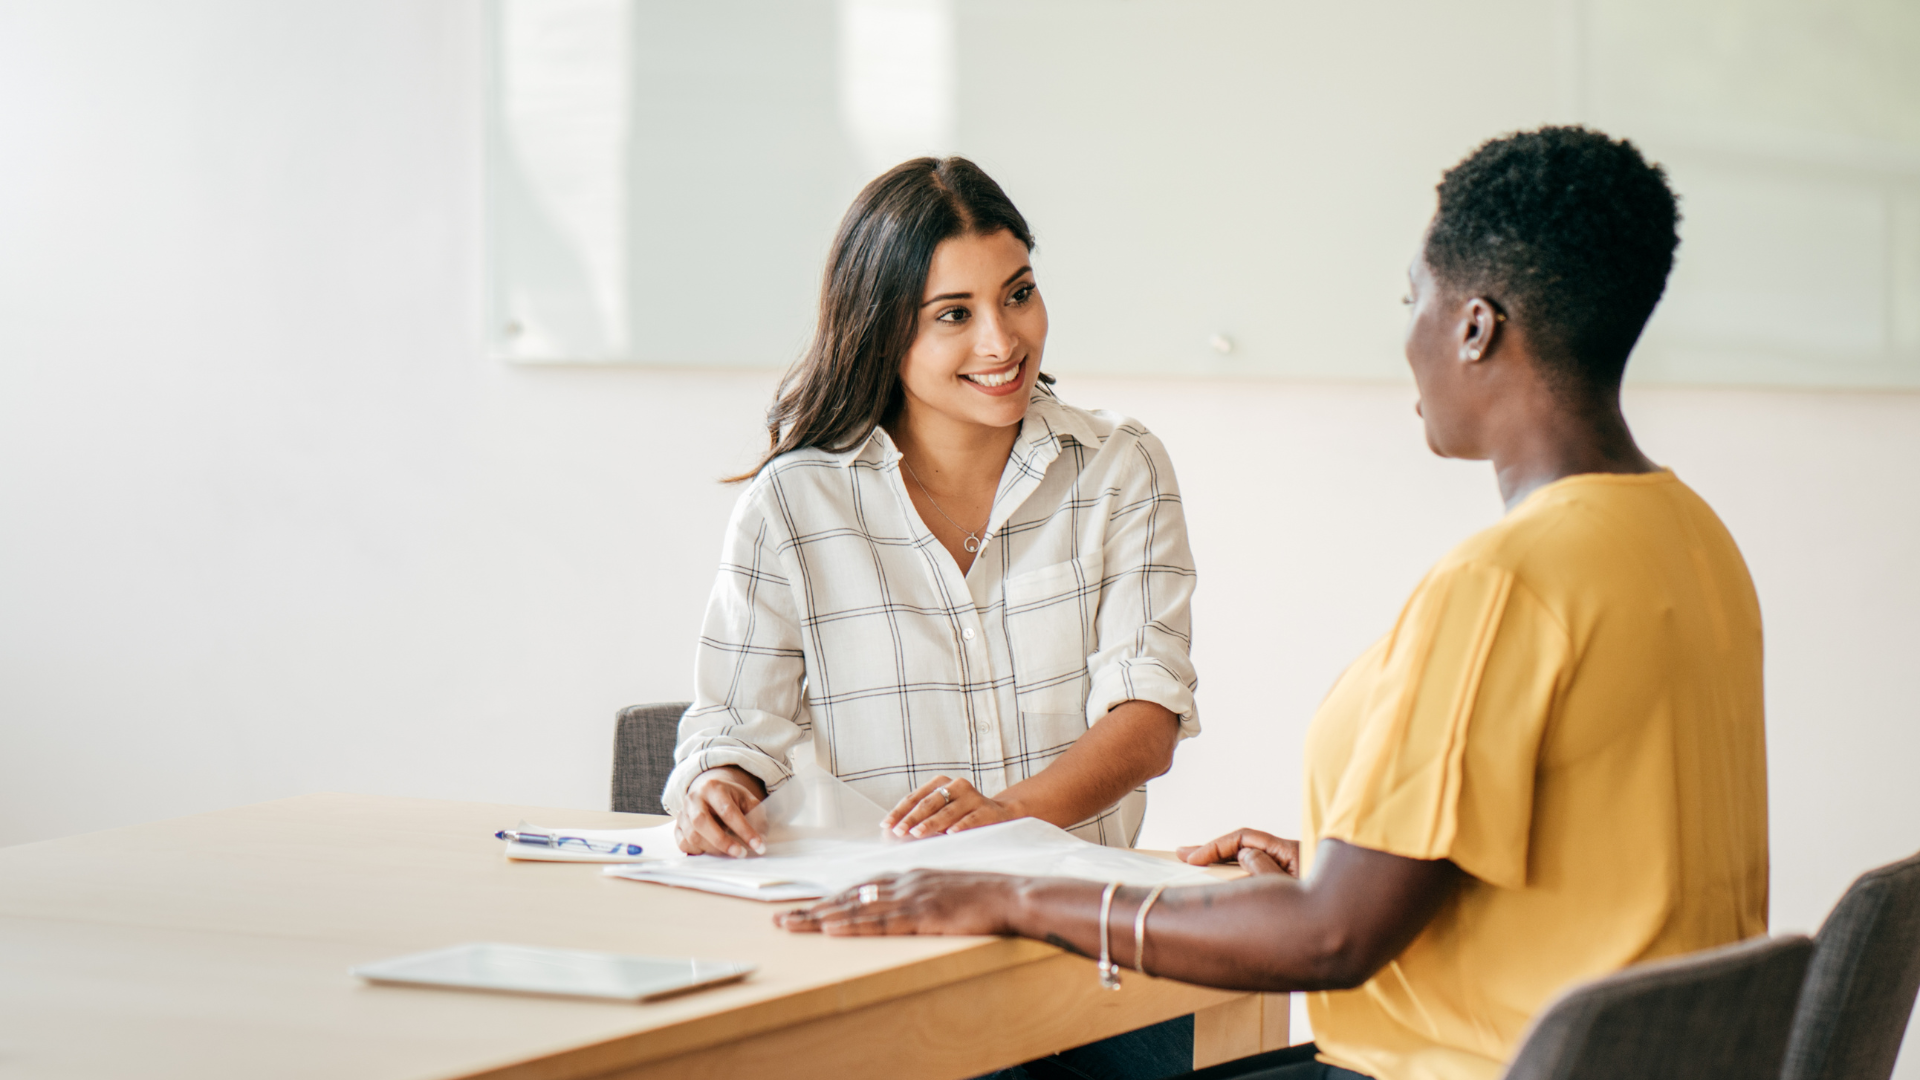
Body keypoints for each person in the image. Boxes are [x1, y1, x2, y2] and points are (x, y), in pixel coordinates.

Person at [775, 126, 1769, 1080]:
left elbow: (1332, 941)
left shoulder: (1504, 585)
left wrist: (1013, 893)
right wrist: (1336, 868)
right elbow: (1592, 865)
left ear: (1476, 327)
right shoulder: (1690, 539)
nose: (1407, 334)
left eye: (1412, 297)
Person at [664, 157, 1201, 864]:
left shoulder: (1118, 466)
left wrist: (1007, 816)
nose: (1002, 341)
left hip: (1072, 912)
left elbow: (1146, 713)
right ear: (882, 330)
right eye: (955, 314)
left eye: (1018, 295)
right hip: (878, 913)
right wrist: (719, 787)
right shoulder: (793, 506)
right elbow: (735, 725)